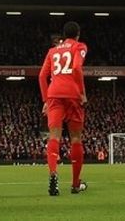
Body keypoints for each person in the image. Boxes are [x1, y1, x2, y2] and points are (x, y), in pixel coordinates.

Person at [38, 21, 88, 196]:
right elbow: (76, 67)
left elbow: (42, 76)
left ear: (63, 35)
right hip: (72, 95)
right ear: (78, 34)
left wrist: (45, 100)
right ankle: (75, 184)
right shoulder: (80, 46)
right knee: (75, 138)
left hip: (54, 95)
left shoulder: (53, 51)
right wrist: (82, 93)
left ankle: (53, 174)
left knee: (54, 136)